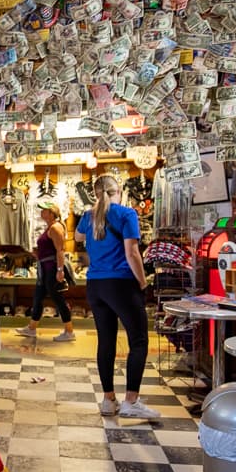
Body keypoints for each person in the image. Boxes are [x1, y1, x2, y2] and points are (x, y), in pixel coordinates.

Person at [76, 175, 159, 420]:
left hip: (95, 285)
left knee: (106, 341)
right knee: (139, 340)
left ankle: (108, 399)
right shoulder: (126, 214)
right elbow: (132, 252)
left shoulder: (88, 216)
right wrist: (143, 282)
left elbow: (79, 237)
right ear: (119, 191)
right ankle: (131, 401)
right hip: (121, 283)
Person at [15, 199, 76, 342]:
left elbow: (60, 250)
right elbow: (49, 249)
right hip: (45, 268)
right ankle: (31, 328)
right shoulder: (50, 227)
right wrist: (37, 254)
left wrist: (60, 270)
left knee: (58, 299)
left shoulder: (55, 228)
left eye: (44, 210)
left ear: (51, 213)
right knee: (38, 297)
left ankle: (69, 331)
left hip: (51, 269)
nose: (41, 212)